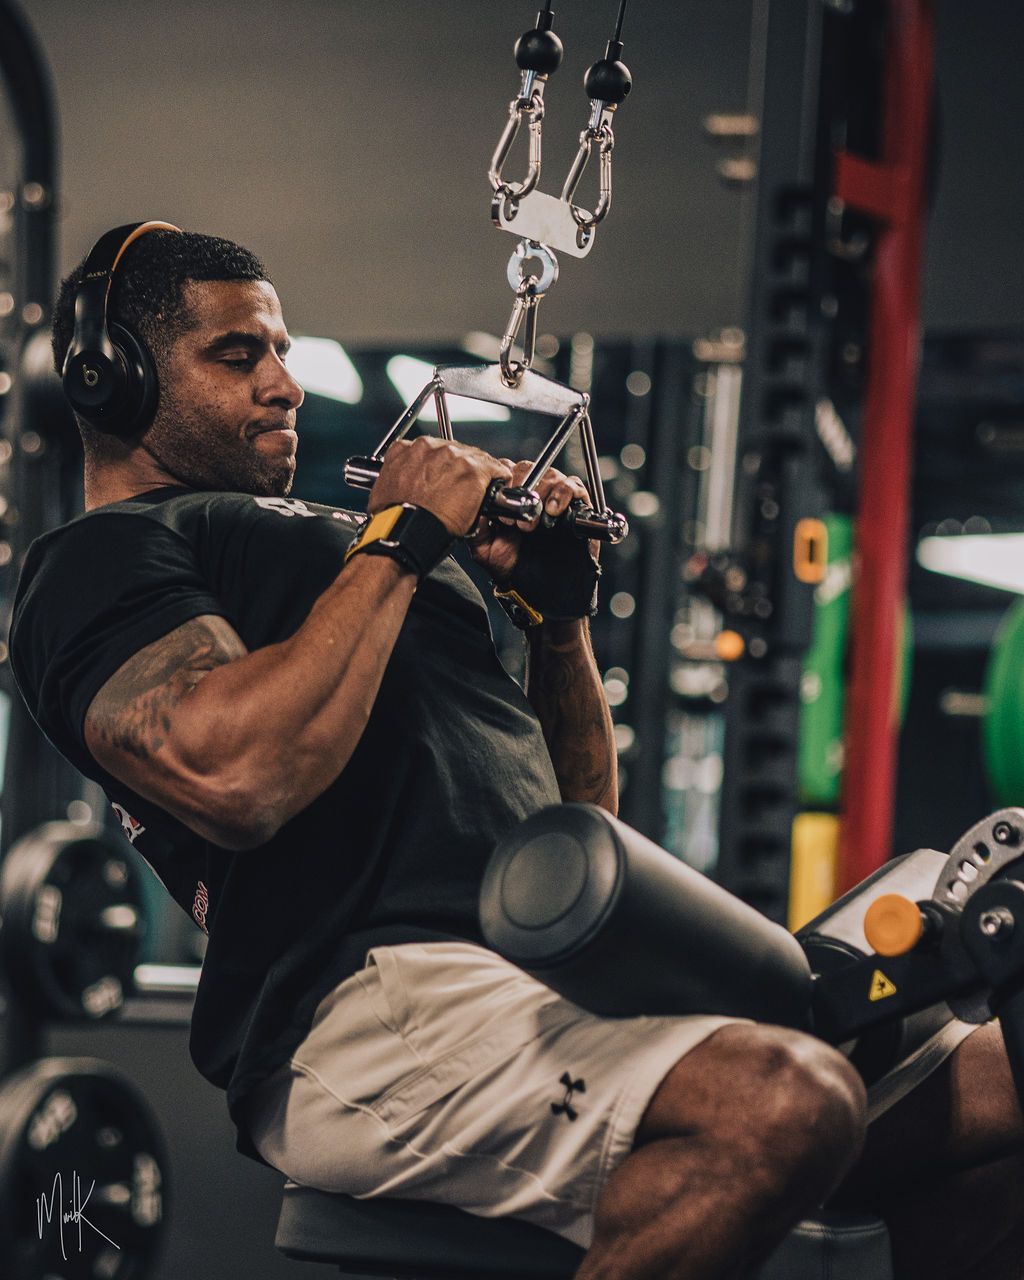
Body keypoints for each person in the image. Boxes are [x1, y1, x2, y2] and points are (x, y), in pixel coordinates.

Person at [8, 225, 1023, 1280]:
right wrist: (398, 540)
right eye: (237, 356)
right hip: (364, 1005)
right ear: (110, 374)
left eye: (283, 350)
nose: (285, 384)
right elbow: (241, 776)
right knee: (781, 1098)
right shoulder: (102, 559)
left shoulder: (362, 558)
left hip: (548, 969)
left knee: (1002, 1086)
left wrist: (556, 623)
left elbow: (571, 830)